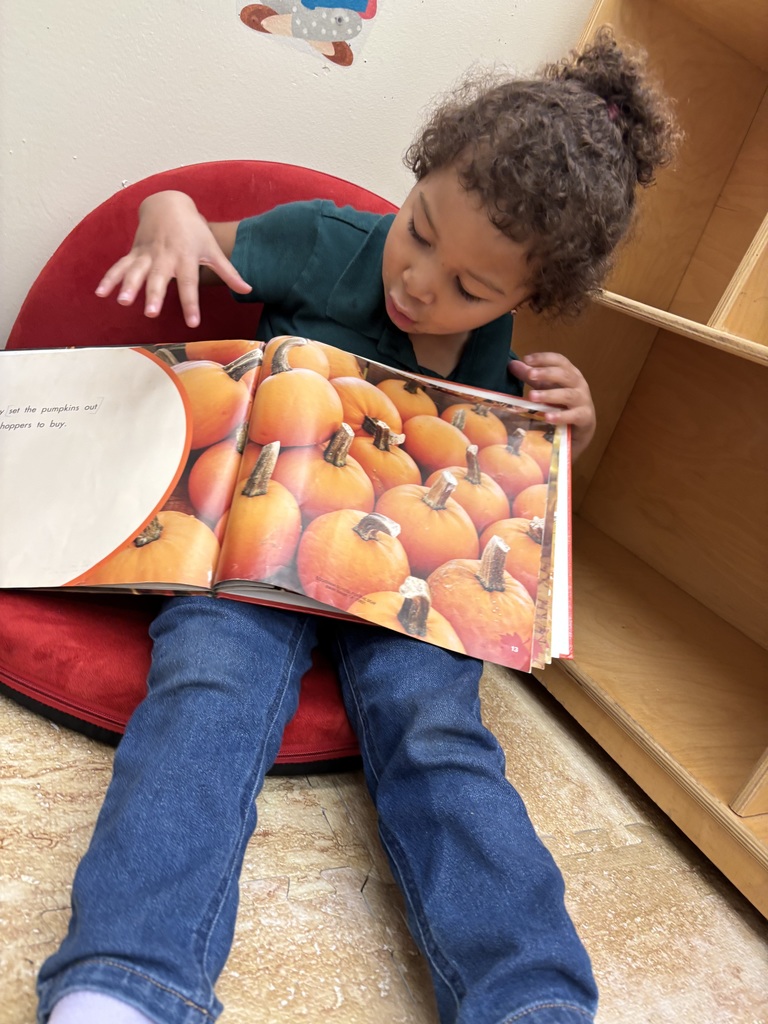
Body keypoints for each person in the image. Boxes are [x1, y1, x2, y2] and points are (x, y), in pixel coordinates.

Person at [37, 27, 678, 1024]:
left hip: (398, 580)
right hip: (252, 547)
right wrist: (165, 215)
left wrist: (567, 430)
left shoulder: (499, 346)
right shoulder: (329, 240)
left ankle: (530, 997)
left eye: (472, 288)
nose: (423, 282)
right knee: (207, 691)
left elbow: (490, 477)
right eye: (419, 228)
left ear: (528, 296)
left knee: (440, 730)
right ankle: (126, 980)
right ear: (418, 176)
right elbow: (188, 224)